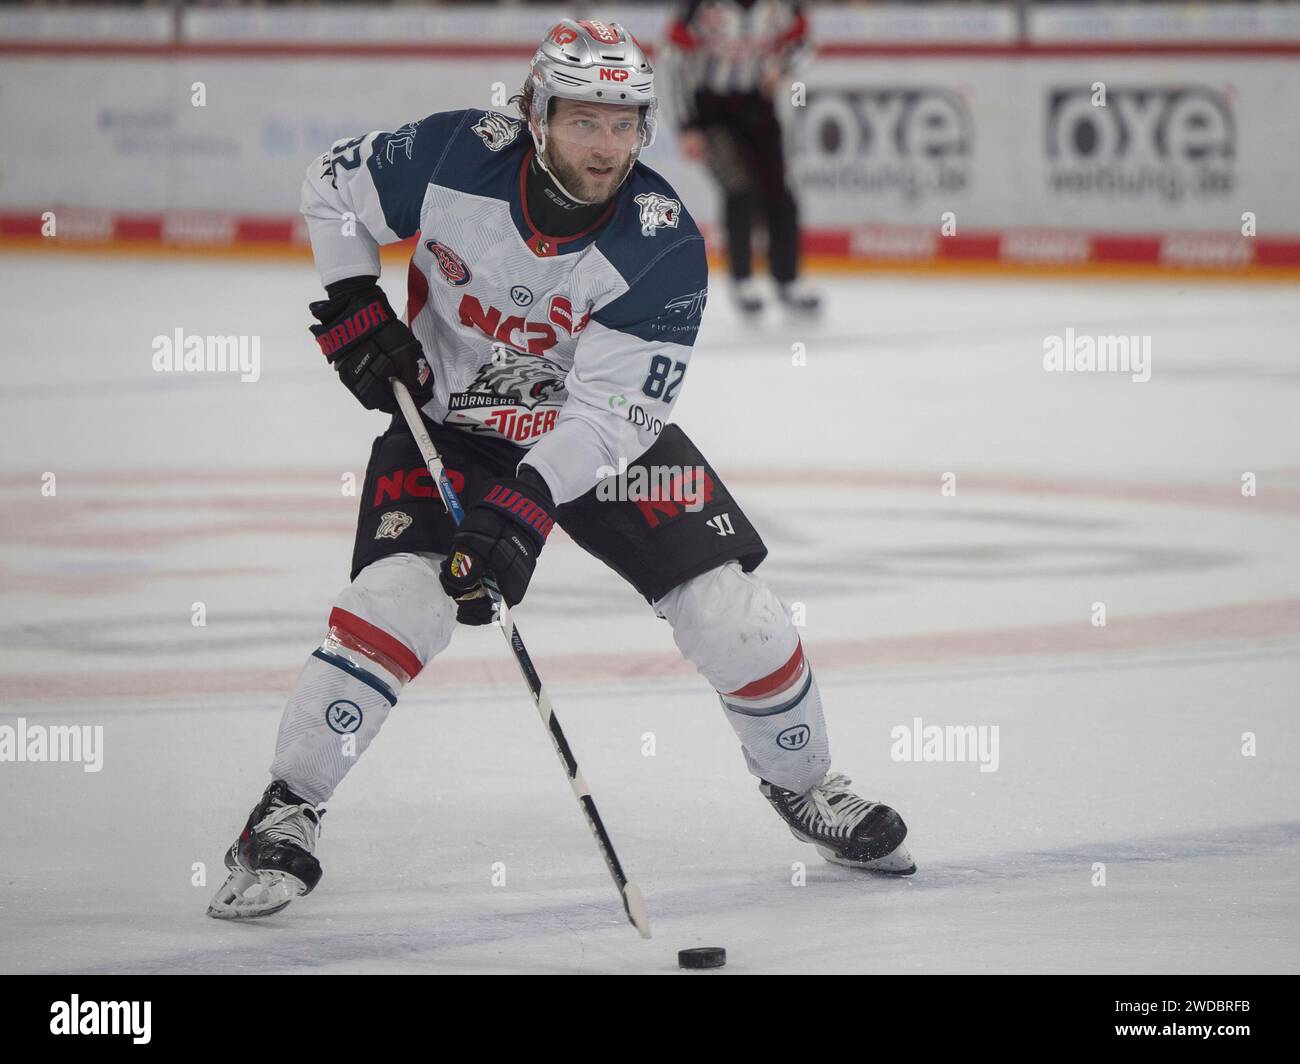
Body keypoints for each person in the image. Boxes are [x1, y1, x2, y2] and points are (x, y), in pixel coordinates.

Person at [208, 18, 912, 921]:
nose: (608, 145)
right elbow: (333, 186)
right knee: (398, 601)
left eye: (626, 123)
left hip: (600, 444)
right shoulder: (459, 151)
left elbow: (610, 420)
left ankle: (804, 784)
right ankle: (287, 805)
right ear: (535, 115)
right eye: (586, 120)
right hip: (451, 428)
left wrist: (526, 504)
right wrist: (353, 300)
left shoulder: (660, 240)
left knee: (732, 613)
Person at [664, 0, 820, 319]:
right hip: (711, 111)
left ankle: (788, 278)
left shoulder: (783, 6)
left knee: (780, 194)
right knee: (740, 191)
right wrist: (686, 125)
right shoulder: (699, 7)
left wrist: (784, 68)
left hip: (758, 107)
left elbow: (804, 42)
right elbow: (671, 61)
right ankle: (743, 280)